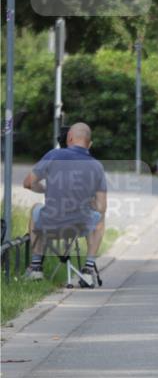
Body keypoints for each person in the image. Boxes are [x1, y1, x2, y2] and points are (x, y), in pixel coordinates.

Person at [22, 122, 107, 287]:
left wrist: (45, 190)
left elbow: (28, 183)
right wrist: (88, 200)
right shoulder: (97, 166)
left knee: (35, 209)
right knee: (100, 218)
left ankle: (35, 267)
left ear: (69, 138)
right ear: (90, 144)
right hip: (80, 226)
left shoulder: (53, 155)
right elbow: (101, 206)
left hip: (51, 223)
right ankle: (89, 269)